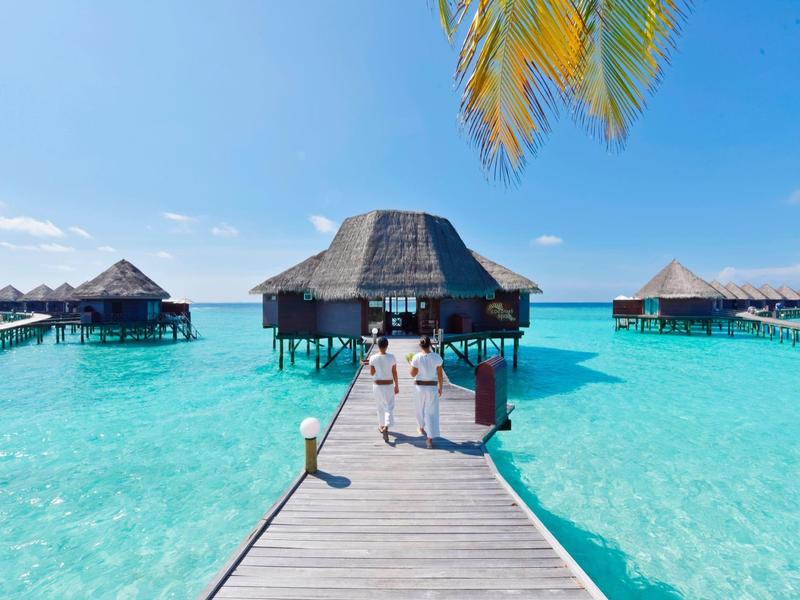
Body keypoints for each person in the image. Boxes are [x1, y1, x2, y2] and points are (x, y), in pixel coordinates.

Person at [409, 335, 444, 449]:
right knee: (431, 412)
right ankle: (429, 439)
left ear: (420, 345)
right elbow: (440, 375)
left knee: (419, 409)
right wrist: (441, 387)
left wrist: (411, 364)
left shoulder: (416, 357)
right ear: (430, 344)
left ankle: (421, 427)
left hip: (419, 388)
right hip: (432, 387)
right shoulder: (437, 357)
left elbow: (412, 374)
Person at [369, 336, 398, 438]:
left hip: (377, 385)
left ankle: (381, 426)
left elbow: (372, 373)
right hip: (389, 385)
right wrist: (396, 385)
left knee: (380, 407)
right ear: (387, 346)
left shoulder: (372, 358)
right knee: (389, 407)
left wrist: (370, 365)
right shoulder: (392, 357)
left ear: (378, 345)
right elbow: (394, 372)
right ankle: (386, 426)